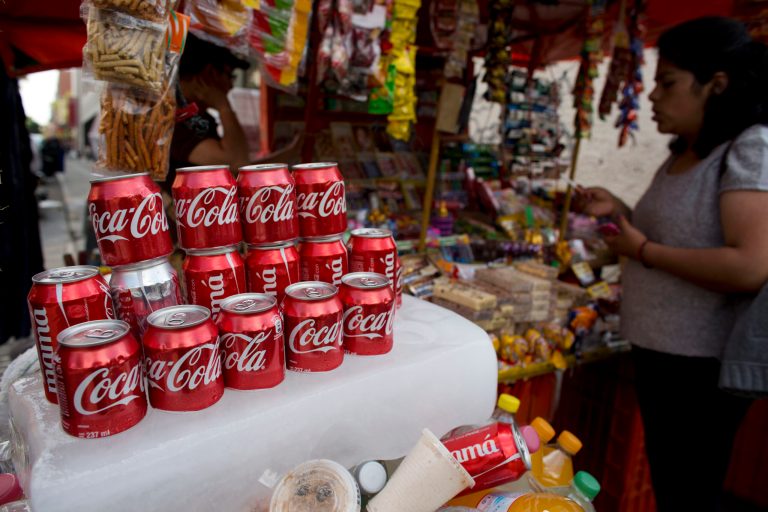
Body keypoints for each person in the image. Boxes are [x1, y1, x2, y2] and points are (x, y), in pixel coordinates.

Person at [577, 17, 768, 512]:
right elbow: (677, 233)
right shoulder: (684, 152)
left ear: (716, 85)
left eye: (668, 83)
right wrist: (618, 209)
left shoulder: (749, 148)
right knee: (674, 485)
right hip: (662, 354)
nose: (653, 98)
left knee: (688, 490)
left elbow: (750, 264)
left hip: (700, 367)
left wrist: (641, 251)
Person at [168, 34, 251, 182]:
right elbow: (237, 161)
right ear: (210, 73)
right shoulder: (176, 118)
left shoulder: (194, 115)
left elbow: (244, 164)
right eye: (230, 76)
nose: (231, 86)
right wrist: (223, 106)